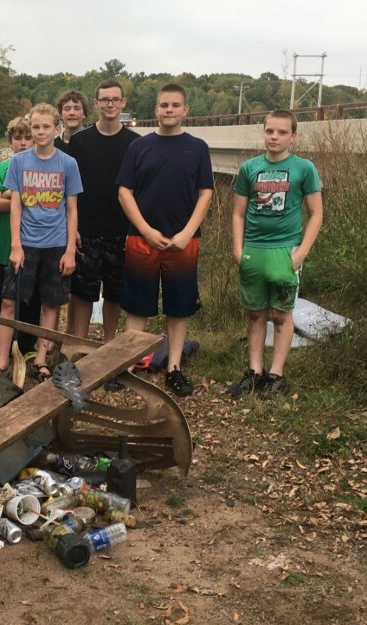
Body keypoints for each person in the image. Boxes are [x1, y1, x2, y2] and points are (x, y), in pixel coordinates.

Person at [117, 83, 214, 397]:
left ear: (185, 110)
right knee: (137, 305)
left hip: (183, 241)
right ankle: (127, 367)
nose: (169, 110)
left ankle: (174, 368)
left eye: (175, 105)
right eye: (163, 105)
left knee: (179, 306)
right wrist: (145, 229)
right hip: (142, 238)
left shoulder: (197, 148)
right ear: (156, 110)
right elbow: (124, 191)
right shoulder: (139, 147)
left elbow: (205, 193)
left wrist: (187, 232)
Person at [229, 109, 323, 399]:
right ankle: (254, 372)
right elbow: (238, 213)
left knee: (282, 313)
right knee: (255, 313)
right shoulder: (250, 168)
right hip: (254, 250)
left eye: (282, 132)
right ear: (264, 132)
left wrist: (301, 253)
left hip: (286, 249)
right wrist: (238, 249)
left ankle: (276, 375)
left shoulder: (304, 168)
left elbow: (316, 213)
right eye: (270, 131)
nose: (274, 136)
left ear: (293, 136)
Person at [0, 103, 82, 379]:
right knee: (9, 301)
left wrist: (70, 251)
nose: (40, 132)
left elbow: (71, 209)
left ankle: (42, 358)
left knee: (50, 304)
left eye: (46, 126)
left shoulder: (68, 164)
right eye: (35, 127)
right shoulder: (19, 163)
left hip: (55, 245)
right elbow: (16, 206)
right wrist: (16, 245)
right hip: (27, 244)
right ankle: (2, 359)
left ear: (57, 129)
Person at [64, 79, 139, 343]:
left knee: (115, 293)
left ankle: (110, 344)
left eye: (115, 99)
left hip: (121, 232)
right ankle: (80, 347)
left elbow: (137, 192)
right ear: (95, 104)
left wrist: (136, 232)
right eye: (104, 99)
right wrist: (71, 230)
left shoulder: (135, 143)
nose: (110, 104)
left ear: (123, 103)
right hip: (87, 232)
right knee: (84, 292)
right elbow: (69, 192)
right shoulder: (80, 142)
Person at [0, 116, 41, 362]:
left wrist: (12, 195)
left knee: (31, 298)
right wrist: (18, 194)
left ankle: (28, 342)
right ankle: (2, 343)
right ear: (10, 142)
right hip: (5, 244)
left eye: (27, 137)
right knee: (3, 296)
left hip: (34, 242)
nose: (23, 143)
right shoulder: (0, 169)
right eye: (18, 138)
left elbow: (45, 202)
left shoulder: (42, 167)